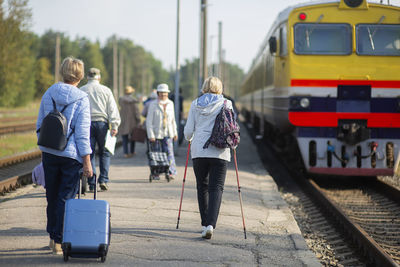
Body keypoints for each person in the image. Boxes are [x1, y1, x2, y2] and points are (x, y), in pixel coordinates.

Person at [36, 56, 93, 254]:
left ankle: (53, 237)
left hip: (50, 153)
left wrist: (44, 149)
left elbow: (40, 125)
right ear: (80, 75)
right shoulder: (82, 99)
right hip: (70, 156)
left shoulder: (49, 92)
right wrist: (87, 162)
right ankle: (59, 240)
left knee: (51, 196)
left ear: (62, 71)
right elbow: (83, 134)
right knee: (65, 198)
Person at [184, 76, 235, 239]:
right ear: (220, 88)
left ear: (204, 87)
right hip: (220, 150)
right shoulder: (227, 103)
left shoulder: (195, 103)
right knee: (216, 187)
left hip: (199, 150)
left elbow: (188, 131)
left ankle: (204, 223)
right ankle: (211, 225)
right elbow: (232, 127)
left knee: (202, 186)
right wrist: (234, 144)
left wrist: (189, 138)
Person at [80, 68, 121, 191]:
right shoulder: (106, 90)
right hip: (102, 124)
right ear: (99, 77)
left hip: (87, 124)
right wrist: (114, 125)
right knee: (104, 152)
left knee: (89, 153)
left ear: (87, 77)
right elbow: (112, 109)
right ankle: (103, 180)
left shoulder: (82, 90)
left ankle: (92, 183)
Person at [146, 84, 178, 179]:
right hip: (156, 134)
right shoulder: (153, 104)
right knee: (155, 154)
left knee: (169, 153)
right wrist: (150, 135)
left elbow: (172, 120)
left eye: (165, 93)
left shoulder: (170, 104)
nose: (163, 94)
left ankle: (171, 171)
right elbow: (149, 121)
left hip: (168, 133)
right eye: (161, 93)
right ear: (158, 93)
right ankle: (156, 173)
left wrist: (175, 132)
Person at [119, 85, 140, 158]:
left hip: (123, 120)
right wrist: (138, 120)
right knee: (133, 137)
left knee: (124, 137)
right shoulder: (134, 101)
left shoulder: (121, 99)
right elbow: (136, 112)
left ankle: (125, 153)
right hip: (132, 122)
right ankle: (132, 151)